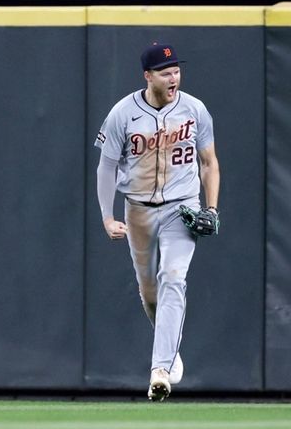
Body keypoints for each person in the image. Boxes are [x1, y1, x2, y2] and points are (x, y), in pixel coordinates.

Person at [94, 42, 220, 401]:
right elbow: (105, 166)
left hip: (182, 207)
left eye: (176, 70)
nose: (173, 77)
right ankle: (170, 346)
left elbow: (209, 162)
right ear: (148, 76)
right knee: (149, 291)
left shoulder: (195, 109)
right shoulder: (123, 113)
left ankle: (159, 370)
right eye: (165, 72)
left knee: (173, 278)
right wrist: (107, 215)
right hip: (138, 209)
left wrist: (211, 208)